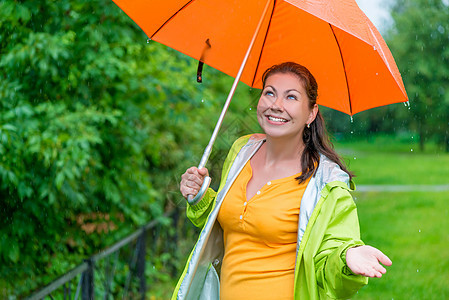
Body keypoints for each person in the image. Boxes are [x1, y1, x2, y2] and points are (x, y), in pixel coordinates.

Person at [173, 62, 392, 300]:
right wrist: (200, 196)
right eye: (269, 93)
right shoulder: (242, 150)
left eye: (291, 97)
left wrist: (346, 259)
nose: (276, 105)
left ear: (311, 112)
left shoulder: (326, 184)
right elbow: (226, 223)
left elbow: (324, 268)